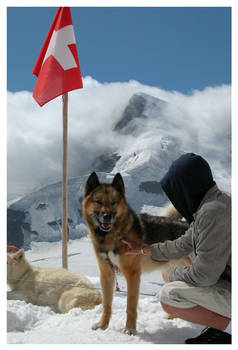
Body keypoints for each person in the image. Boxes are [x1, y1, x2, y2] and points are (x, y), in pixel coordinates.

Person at [123, 153, 231, 344]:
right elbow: (184, 244)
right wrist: (143, 249)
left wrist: (173, 275)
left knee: (169, 295)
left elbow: (204, 276)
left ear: (186, 188)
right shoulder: (216, 202)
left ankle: (229, 331)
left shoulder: (212, 212)